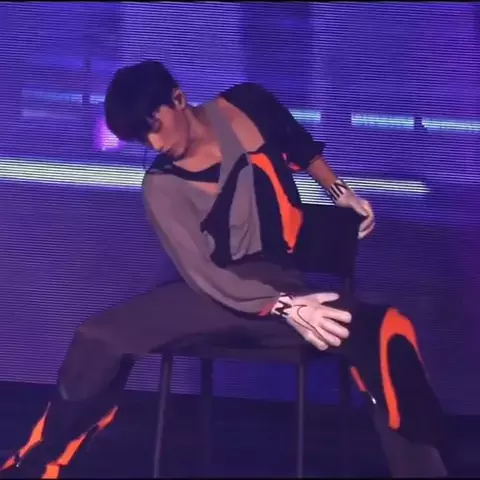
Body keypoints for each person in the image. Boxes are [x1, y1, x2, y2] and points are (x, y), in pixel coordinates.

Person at [1, 60, 447, 478]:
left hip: (280, 282)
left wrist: (339, 192)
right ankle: (35, 466)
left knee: (387, 331)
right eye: (141, 139)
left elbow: (297, 143)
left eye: (153, 127)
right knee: (97, 337)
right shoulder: (161, 186)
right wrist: (286, 307)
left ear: (178, 99)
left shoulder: (246, 106)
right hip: (212, 295)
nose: (154, 145)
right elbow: (206, 276)